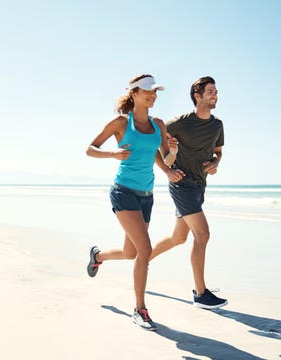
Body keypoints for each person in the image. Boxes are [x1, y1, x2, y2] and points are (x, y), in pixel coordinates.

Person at [85, 74, 181, 331]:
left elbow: (164, 158)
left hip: (146, 195)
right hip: (123, 191)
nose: (153, 95)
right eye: (148, 91)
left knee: (131, 253)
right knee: (145, 250)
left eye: (155, 92)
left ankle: (98, 256)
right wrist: (112, 153)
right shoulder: (120, 123)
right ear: (134, 93)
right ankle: (140, 309)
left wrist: (172, 157)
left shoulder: (158, 124)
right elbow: (90, 149)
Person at [151, 76, 228, 309]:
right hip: (181, 184)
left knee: (179, 238)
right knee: (202, 234)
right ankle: (200, 293)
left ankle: (142, 262)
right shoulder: (179, 123)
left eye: (216, 91)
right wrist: (166, 171)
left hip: (199, 186)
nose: (215, 95)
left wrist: (216, 162)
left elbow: (218, 152)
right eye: (211, 91)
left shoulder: (217, 125)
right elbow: (155, 146)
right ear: (198, 96)